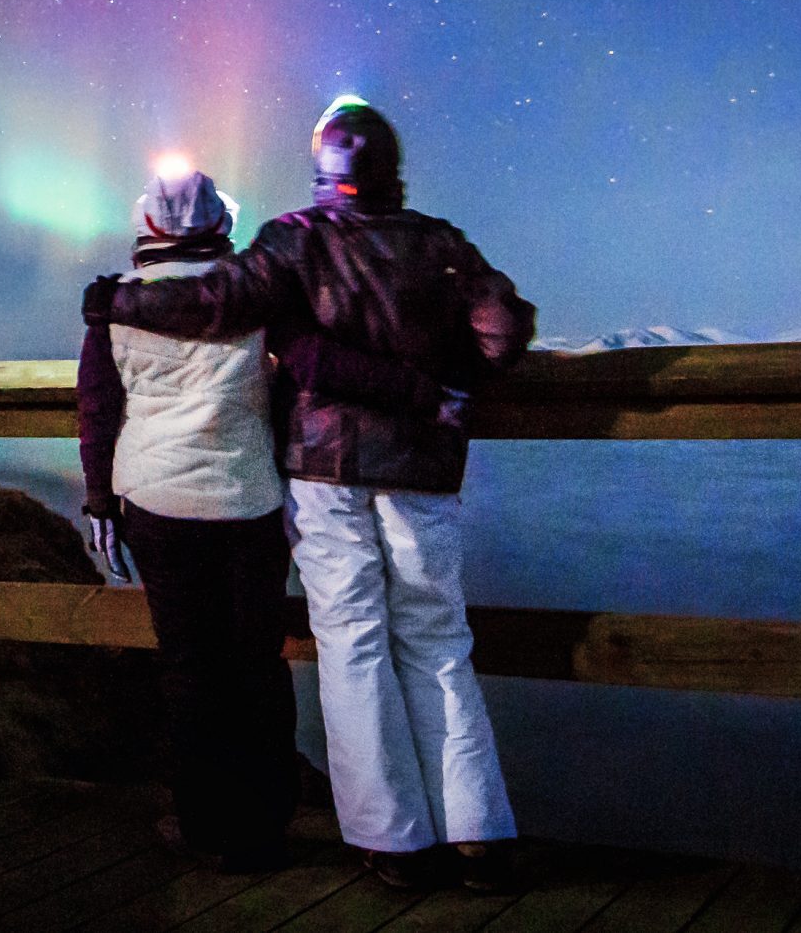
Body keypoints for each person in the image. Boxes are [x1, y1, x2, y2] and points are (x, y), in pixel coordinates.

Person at [82, 99, 535, 892]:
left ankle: (390, 839)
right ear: (392, 165)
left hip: (320, 470)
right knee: (437, 642)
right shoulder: (444, 244)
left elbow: (213, 304)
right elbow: (500, 329)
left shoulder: (293, 241)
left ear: (323, 167)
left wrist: (116, 303)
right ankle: (477, 834)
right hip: (412, 472)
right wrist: (454, 385)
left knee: (352, 644)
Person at [77, 161, 294, 871]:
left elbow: (100, 410)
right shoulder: (259, 301)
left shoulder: (114, 304)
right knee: (257, 666)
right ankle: (265, 827)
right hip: (250, 499)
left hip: (158, 501)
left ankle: (204, 826)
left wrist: (101, 502)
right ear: (221, 225)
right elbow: (288, 397)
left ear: (146, 226)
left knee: (190, 668)